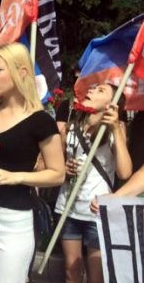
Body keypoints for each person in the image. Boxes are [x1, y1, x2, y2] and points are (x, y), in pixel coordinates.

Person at [0, 42, 65, 283]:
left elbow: (57, 174)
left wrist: (17, 176)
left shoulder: (40, 121)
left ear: (21, 73)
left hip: (13, 219)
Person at [55, 84, 132, 283]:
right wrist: (65, 168)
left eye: (100, 91)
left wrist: (115, 128)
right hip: (68, 207)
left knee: (96, 277)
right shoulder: (72, 125)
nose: (90, 91)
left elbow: (125, 172)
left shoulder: (116, 129)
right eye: (93, 88)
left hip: (96, 211)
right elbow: (52, 165)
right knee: (71, 272)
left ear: (111, 104)